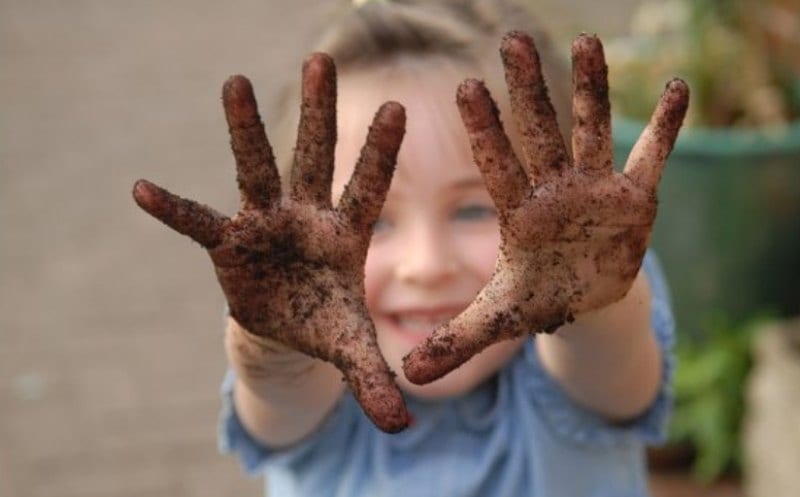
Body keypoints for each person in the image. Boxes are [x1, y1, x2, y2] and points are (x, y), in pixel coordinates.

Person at [132, 0, 689, 495]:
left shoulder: (577, 344)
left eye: (474, 209)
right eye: (371, 223)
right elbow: (281, 399)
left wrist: (584, 303)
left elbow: (611, 374)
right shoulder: (314, 378)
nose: (426, 265)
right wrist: (282, 340)